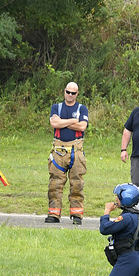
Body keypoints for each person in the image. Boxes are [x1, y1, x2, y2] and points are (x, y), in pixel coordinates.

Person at [47, 81, 90, 224]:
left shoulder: (82, 109)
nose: (70, 95)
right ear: (64, 91)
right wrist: (73, 121)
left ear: (77, 94)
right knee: (55, 183)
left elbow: (82, 126)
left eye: (73, 93)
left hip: (76, 150)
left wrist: (62, 122)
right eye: (68, 92)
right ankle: (54, 214)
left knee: (77, 183)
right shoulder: (56, 107)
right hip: (58, 150)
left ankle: (77, 216)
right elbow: (54, 124)